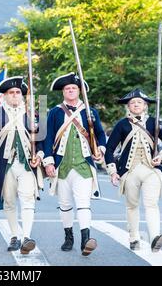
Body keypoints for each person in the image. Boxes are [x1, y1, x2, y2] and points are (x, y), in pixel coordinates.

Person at [105, 89, 162, 252]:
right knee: (132, 205)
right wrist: (112, 171)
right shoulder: (122, 124)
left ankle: (155, 238)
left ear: (145, 106)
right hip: (129, 171)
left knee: (151, 204)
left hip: (152, 169)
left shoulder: (154, 122)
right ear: (128, 107)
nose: (136, 105)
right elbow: (109, 149)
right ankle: (134, 237)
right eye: (132, 103)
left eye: (139, 102)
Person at [42, 73, 106, 256]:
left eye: (74, 88)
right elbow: (47, 138)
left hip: (83, 164)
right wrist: (48, 161)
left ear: (80, 91)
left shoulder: (90, 112)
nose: (70, 91)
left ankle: (86, 240)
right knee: (65, 204)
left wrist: (100, 147)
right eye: (67, 89)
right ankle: (68, 237)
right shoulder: (54, 112)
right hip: (62, 165)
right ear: (63, 91)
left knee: (83, 204)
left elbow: (100, 134)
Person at [0, 76, 43, 255]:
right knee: (9, 201)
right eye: (11, 93)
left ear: (22, 95)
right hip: (4, 164)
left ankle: (26, 237)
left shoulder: (32, 113)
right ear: (5, 96)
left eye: (18, 92)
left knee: (28, 199)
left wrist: (40, 155)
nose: (15, 95)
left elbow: (41, 140)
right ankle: (14, 236)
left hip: (27, 164)